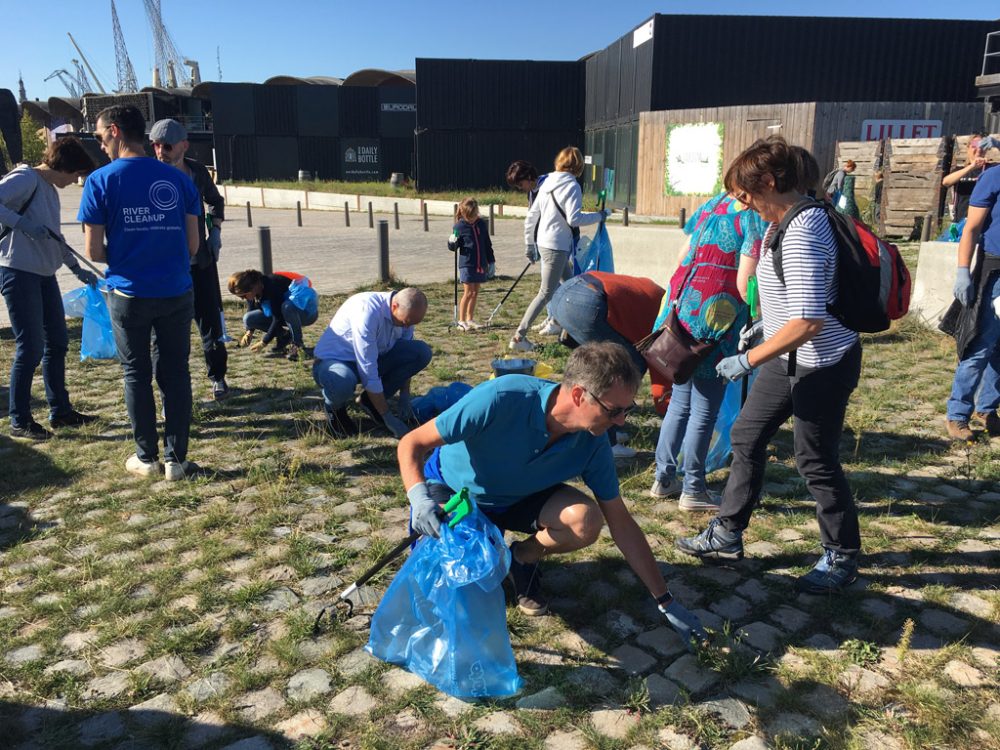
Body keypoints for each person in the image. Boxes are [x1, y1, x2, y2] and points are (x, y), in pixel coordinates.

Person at [397, 342, 707, 648]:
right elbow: (411, 443)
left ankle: (521, 558)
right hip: (456, 493)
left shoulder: (594, 442)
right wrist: (420, 499)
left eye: (627, 410)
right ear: (578, 395)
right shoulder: (503, 397)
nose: (622, 421)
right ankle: (484, 552)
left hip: (520, 497)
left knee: (585, 521)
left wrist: (665, 601)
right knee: (449, 590)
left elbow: (620, 521)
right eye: (614, 411)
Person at [677, 137, 863, 595]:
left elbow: (808, 321)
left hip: (822, 361)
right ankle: (727, 533)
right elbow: (790, 304)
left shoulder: (805, 230)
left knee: (814, 459)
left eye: (745, 195)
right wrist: (762, 329)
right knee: (746, 436)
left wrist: (747, 359)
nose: (743, 205)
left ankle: (842, 555)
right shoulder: (782, 224)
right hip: (785, 355)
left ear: (769, 182)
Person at [78, 105, 201, 480]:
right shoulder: (179, 180)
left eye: (100, 137)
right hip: (176, 290)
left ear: (115, 131)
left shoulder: (100, 181)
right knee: (176, 373)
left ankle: (146, 458)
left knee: (136, 373)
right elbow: (194, 245)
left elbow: (94, 251)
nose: (101, 146)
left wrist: (131, 251)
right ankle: (176, 461)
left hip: (129, 294)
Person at [650, 191, 765, 511]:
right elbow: (746, 283)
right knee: (704, 409)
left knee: (681, 402)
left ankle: (664, 478)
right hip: (716, 319)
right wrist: (759, 316)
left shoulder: (713, 204)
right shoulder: (752, 217)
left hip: (681, 312)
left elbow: (682, 255)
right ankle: (693, 488)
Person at [0, 137, 98, 440]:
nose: (74, 182)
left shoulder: (51, 191)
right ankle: (20, 419)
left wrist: (76, 268)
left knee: (56, 343)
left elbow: (56, 238)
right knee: (30, 347)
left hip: (45, 274)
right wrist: (22, 224)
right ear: (63, 167)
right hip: (19, 272)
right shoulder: (25, 178)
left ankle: (61, 411)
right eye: (75, 175)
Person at [149, 119, 230, 400]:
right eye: (156, 145)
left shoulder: (196, 172)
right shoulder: (147, 173)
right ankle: (169, 391)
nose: (161, 151)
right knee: (166, 332)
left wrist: (215, 230)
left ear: (184, 145)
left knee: (210, 322)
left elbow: (215, 200)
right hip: (165, 267)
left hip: (200, 263)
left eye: (167, 146)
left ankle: (218, 376)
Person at [548, 271, 667, 459]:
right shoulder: (668, 316)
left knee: (593, 371)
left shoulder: (658, 296)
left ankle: (600, 426)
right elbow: (662, 364)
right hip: (589, 302)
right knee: (622, 369)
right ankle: (608, 443)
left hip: (565, 294)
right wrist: (665, 404)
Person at [512, 147, 610, 352]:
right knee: (546, 292)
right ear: (578, 166)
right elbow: (574, 219)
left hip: (545, 243)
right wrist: (600, 216)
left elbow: (532, 216)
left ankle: (568, 327)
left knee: (574, 285)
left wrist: (530, 243)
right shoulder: (572, 186)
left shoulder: (547, 182)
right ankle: (519, 336)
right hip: (557, 246)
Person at [312, 287, 432, 439]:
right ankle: (335, 409)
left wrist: (405, 396)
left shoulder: (405, 315)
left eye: (413, 323)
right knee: (340, 382)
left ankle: (369, 401)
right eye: (405, 322)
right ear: (394, 306)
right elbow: (367, 368)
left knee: (420, 352)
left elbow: (404, 353)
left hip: (372, 359)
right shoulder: (366, 312)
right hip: (335, 363)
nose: (407, 327)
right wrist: (387, 416)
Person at [943, 160, 1000, 440]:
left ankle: (988, 409)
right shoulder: (994, 177)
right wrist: (963, 271)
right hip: (995, 271)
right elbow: (971, 229)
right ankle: (957, 415)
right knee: (980, 344)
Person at [506, 159, 560, 336]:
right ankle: (552, 316)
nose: (520, 188)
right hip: (543, 243)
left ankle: (555, 320)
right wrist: (532, 243)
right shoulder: (532, 191)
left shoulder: (548, 186)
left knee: (553, 285)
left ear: (529, 177)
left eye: (520, 184)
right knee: (550, 284)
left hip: (556, 243)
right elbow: (532, 219)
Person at [228, 269, 317, 361]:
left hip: (306, 313)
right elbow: (251, 308)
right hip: (285, 314)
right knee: (249, 319)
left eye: (243, 296)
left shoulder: (272, 285)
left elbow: (277, 318)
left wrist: (264, 342)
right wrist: (249, 332)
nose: (242, 299)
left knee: (286, 307)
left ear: (252, 288)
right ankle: (284, 336)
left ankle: (298, 346)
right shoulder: (254, 289)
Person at [447, 198, 494, 330]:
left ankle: (470, 318)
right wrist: (452, 242)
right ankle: (461, 320)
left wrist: (491, 261)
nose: (472, 219)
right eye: (469, 217)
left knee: (475, 292)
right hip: (467, 264)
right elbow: (453, 247)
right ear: (463, 214)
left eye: (474, 216)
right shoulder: (459, 226)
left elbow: (487, 244)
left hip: (480, 263)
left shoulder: (481, 224)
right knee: (468, 292)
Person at [942, 135, 996, 223]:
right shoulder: (959, 170)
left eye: (982, 146)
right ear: (968, 148)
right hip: (961, 221)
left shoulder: (992, 169)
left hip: (985, 223)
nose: (978, 149)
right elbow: (946, 182)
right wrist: (972, 166)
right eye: (974, 146)